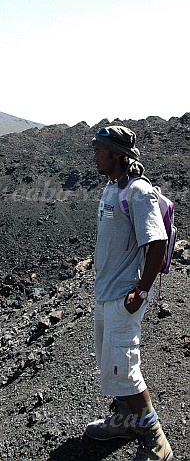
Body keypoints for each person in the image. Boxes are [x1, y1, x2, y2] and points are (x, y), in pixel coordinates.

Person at [85, 125, 172, 460]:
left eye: (99, 151)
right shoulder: (112, 188)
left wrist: (141, 289)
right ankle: (124, 420)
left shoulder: (138, 192)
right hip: (106, 294)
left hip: (125, 295)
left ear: (117, 156)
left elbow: (158, 240)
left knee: (125, 367)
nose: (94, 156)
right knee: (110, 365)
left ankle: (156, 440)